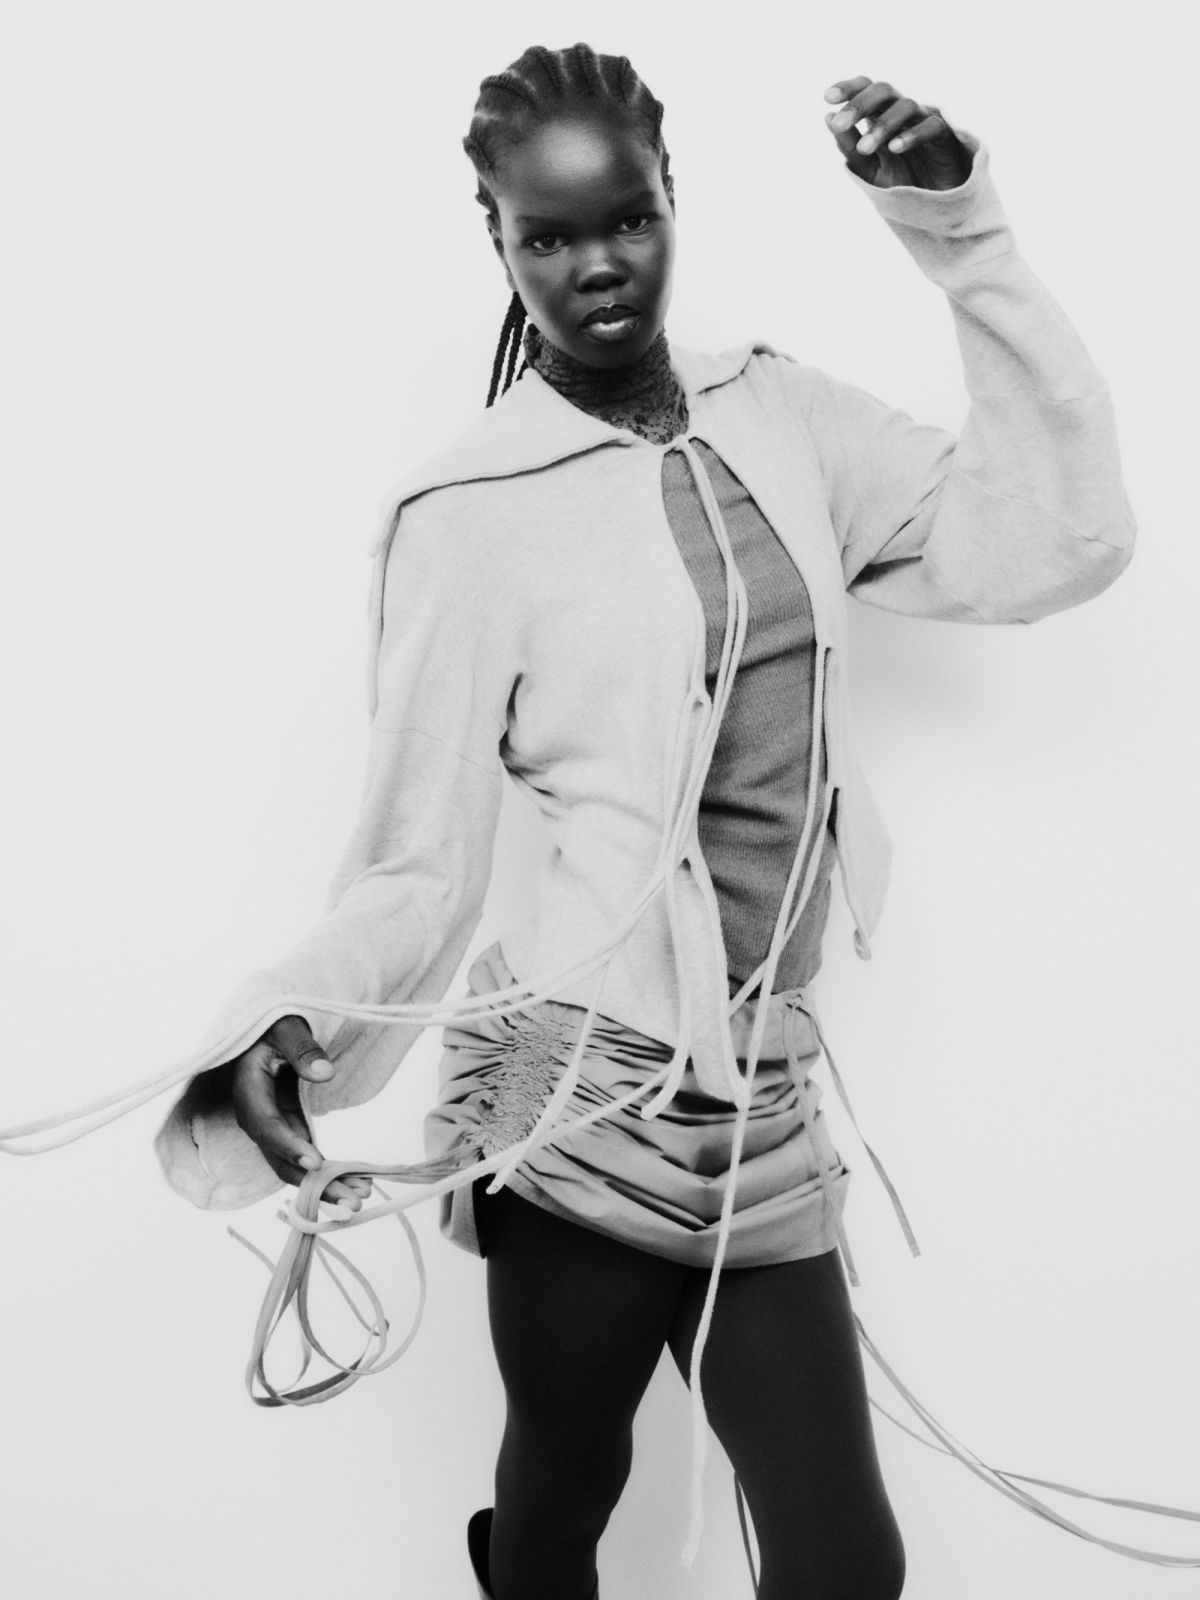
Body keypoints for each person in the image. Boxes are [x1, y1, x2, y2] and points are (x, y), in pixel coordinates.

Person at [2, 40, 1142, 1600]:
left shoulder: (786, 413)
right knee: (560, 1513)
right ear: (496, 239)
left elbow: (1056, 541)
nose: (596, 266)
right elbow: (418, 858)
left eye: (626, 220)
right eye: (547, 237)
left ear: (676, 200)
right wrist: (289, 1033)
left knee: (844, 1567)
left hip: (765, 1112)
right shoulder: (463, 517)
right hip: (574, 1100)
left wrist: (963, 231)